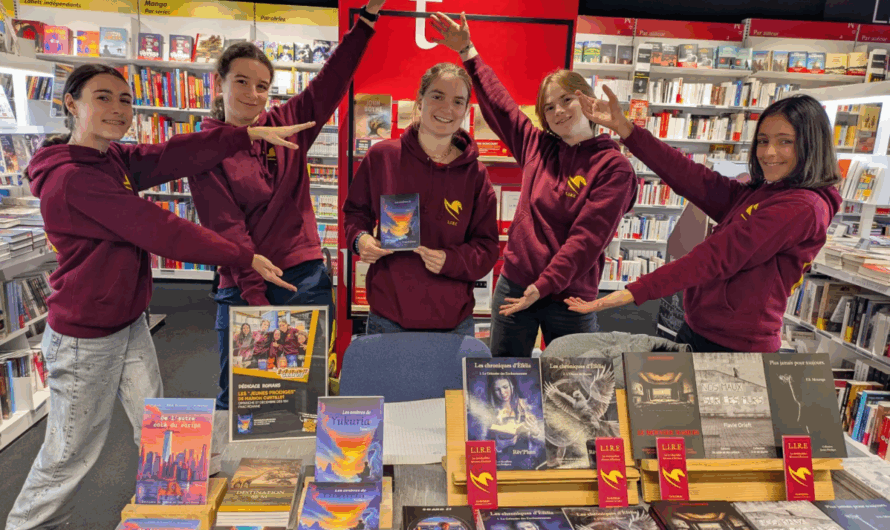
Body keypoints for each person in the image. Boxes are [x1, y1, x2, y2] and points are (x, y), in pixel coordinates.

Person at [6, 63, 309, 530]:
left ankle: (173, 509)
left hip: (128, 322)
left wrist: (245, 137)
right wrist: (242, 255)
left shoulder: (111, 159)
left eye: (125, 100)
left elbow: (172, 155)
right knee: (71, 453)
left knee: (162, 430)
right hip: (86, 337)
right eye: (103, 97)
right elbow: (159, 228)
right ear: (71, 103)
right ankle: (32, 524)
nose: (118, 109)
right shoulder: (72, 178)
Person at [186, 0, 386, 410]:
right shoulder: (203, 149)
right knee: (243, 398)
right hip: (244, 284)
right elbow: (227, 228)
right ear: (218, 83)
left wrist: (366, 19)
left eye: (262, 86)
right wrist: (259, 305)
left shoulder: (285, 124)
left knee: (306, 397)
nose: (253, 94)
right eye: (241, 82)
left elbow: (331, 81)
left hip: (304, 277)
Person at [564, 89, 841, 353]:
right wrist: (626, 129)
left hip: (737, 348)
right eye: (763, 141)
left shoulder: (802, 207)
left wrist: (635, 291)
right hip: (701, 331)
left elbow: (719, 255)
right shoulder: (765, 192)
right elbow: (692, 177)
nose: (768, 153)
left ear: (810, 145)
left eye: (785, 142)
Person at [429, 13, 638, 356]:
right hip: (516, 286)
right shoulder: (538, 146)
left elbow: (585, 242)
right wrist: (467, 50)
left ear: (587, 101)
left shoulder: (614, 168)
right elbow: (502, 107)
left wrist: (541, 287)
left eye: (566, 100)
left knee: (572, 386)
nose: (558, 111)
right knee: (504, 382)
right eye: (549, 107)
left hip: (571, 297)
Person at [343, 62, 499, 335]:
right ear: (420, 99)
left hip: (453, 324)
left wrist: (449, 260)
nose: (447, 109)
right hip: (387, 319)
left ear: (465, 111)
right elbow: (355, 214)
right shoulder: (382, 158)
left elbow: (486, 249)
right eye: (437, 96)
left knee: (449, 381)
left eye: (457, 101)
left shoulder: (476, 174)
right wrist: (360, 240)